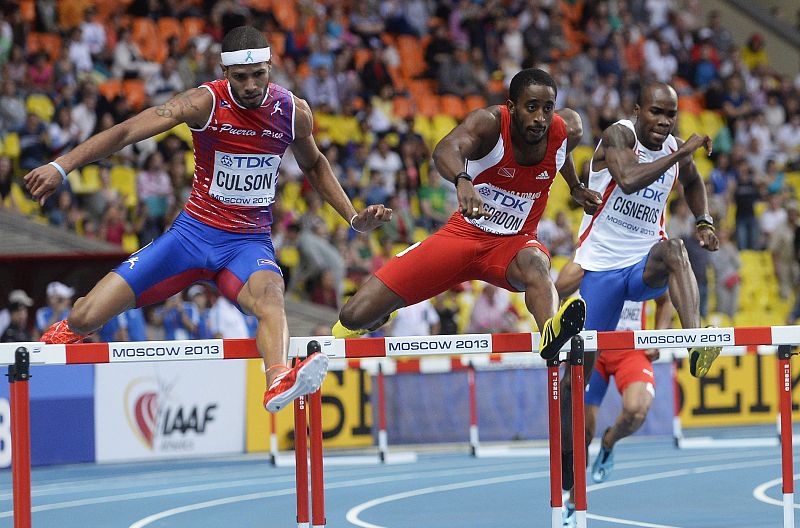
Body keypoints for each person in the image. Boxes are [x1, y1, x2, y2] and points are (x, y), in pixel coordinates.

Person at [23, 26, 392, 413]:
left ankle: (278, 380)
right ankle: (55, 346)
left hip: (247, 245)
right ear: (224, 71)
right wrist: (62, 166)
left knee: (272, 298)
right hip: (190, 238)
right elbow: (128, 131)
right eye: (240, 77)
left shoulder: (292, 111)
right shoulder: (204, 102)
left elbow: (314, 165)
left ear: (270, 67)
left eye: (258, 75)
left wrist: (352, 217)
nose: (251, 86)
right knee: (85, 316)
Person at [332, 68, 603, 363]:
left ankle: (550, 332)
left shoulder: (568, 130)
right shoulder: (489, 124)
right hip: (462, 236)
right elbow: (445, 149)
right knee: (352, 316)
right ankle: (381, 313)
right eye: (531, 107)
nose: (540, 118)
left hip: (514, 245)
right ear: (512, 107)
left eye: (547, 108)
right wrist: (463, 180)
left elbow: (560, 151)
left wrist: (575, 187)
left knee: (536, 263)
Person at [558, 82, 722, 492]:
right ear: (637, 111)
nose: (664, 122)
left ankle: (695, 342)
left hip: (642, 266)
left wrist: (703, 220)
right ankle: (567, 460)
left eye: (671, 115)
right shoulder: (619, 135)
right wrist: (682, 153)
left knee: (675, 250)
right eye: (656, 112)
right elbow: (628, 179)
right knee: (572, 381)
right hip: (601, 271)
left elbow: (693, 182)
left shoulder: (676, 149)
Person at [556, 260, 674, 527]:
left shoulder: (644, 262)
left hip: (630, 348)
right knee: (581, 433)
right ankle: (573, 504)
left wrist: (658, 335)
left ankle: (609, 441)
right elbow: (556, 291)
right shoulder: (587, 258)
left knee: (636, 410)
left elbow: (665, 300)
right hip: (591, 349)